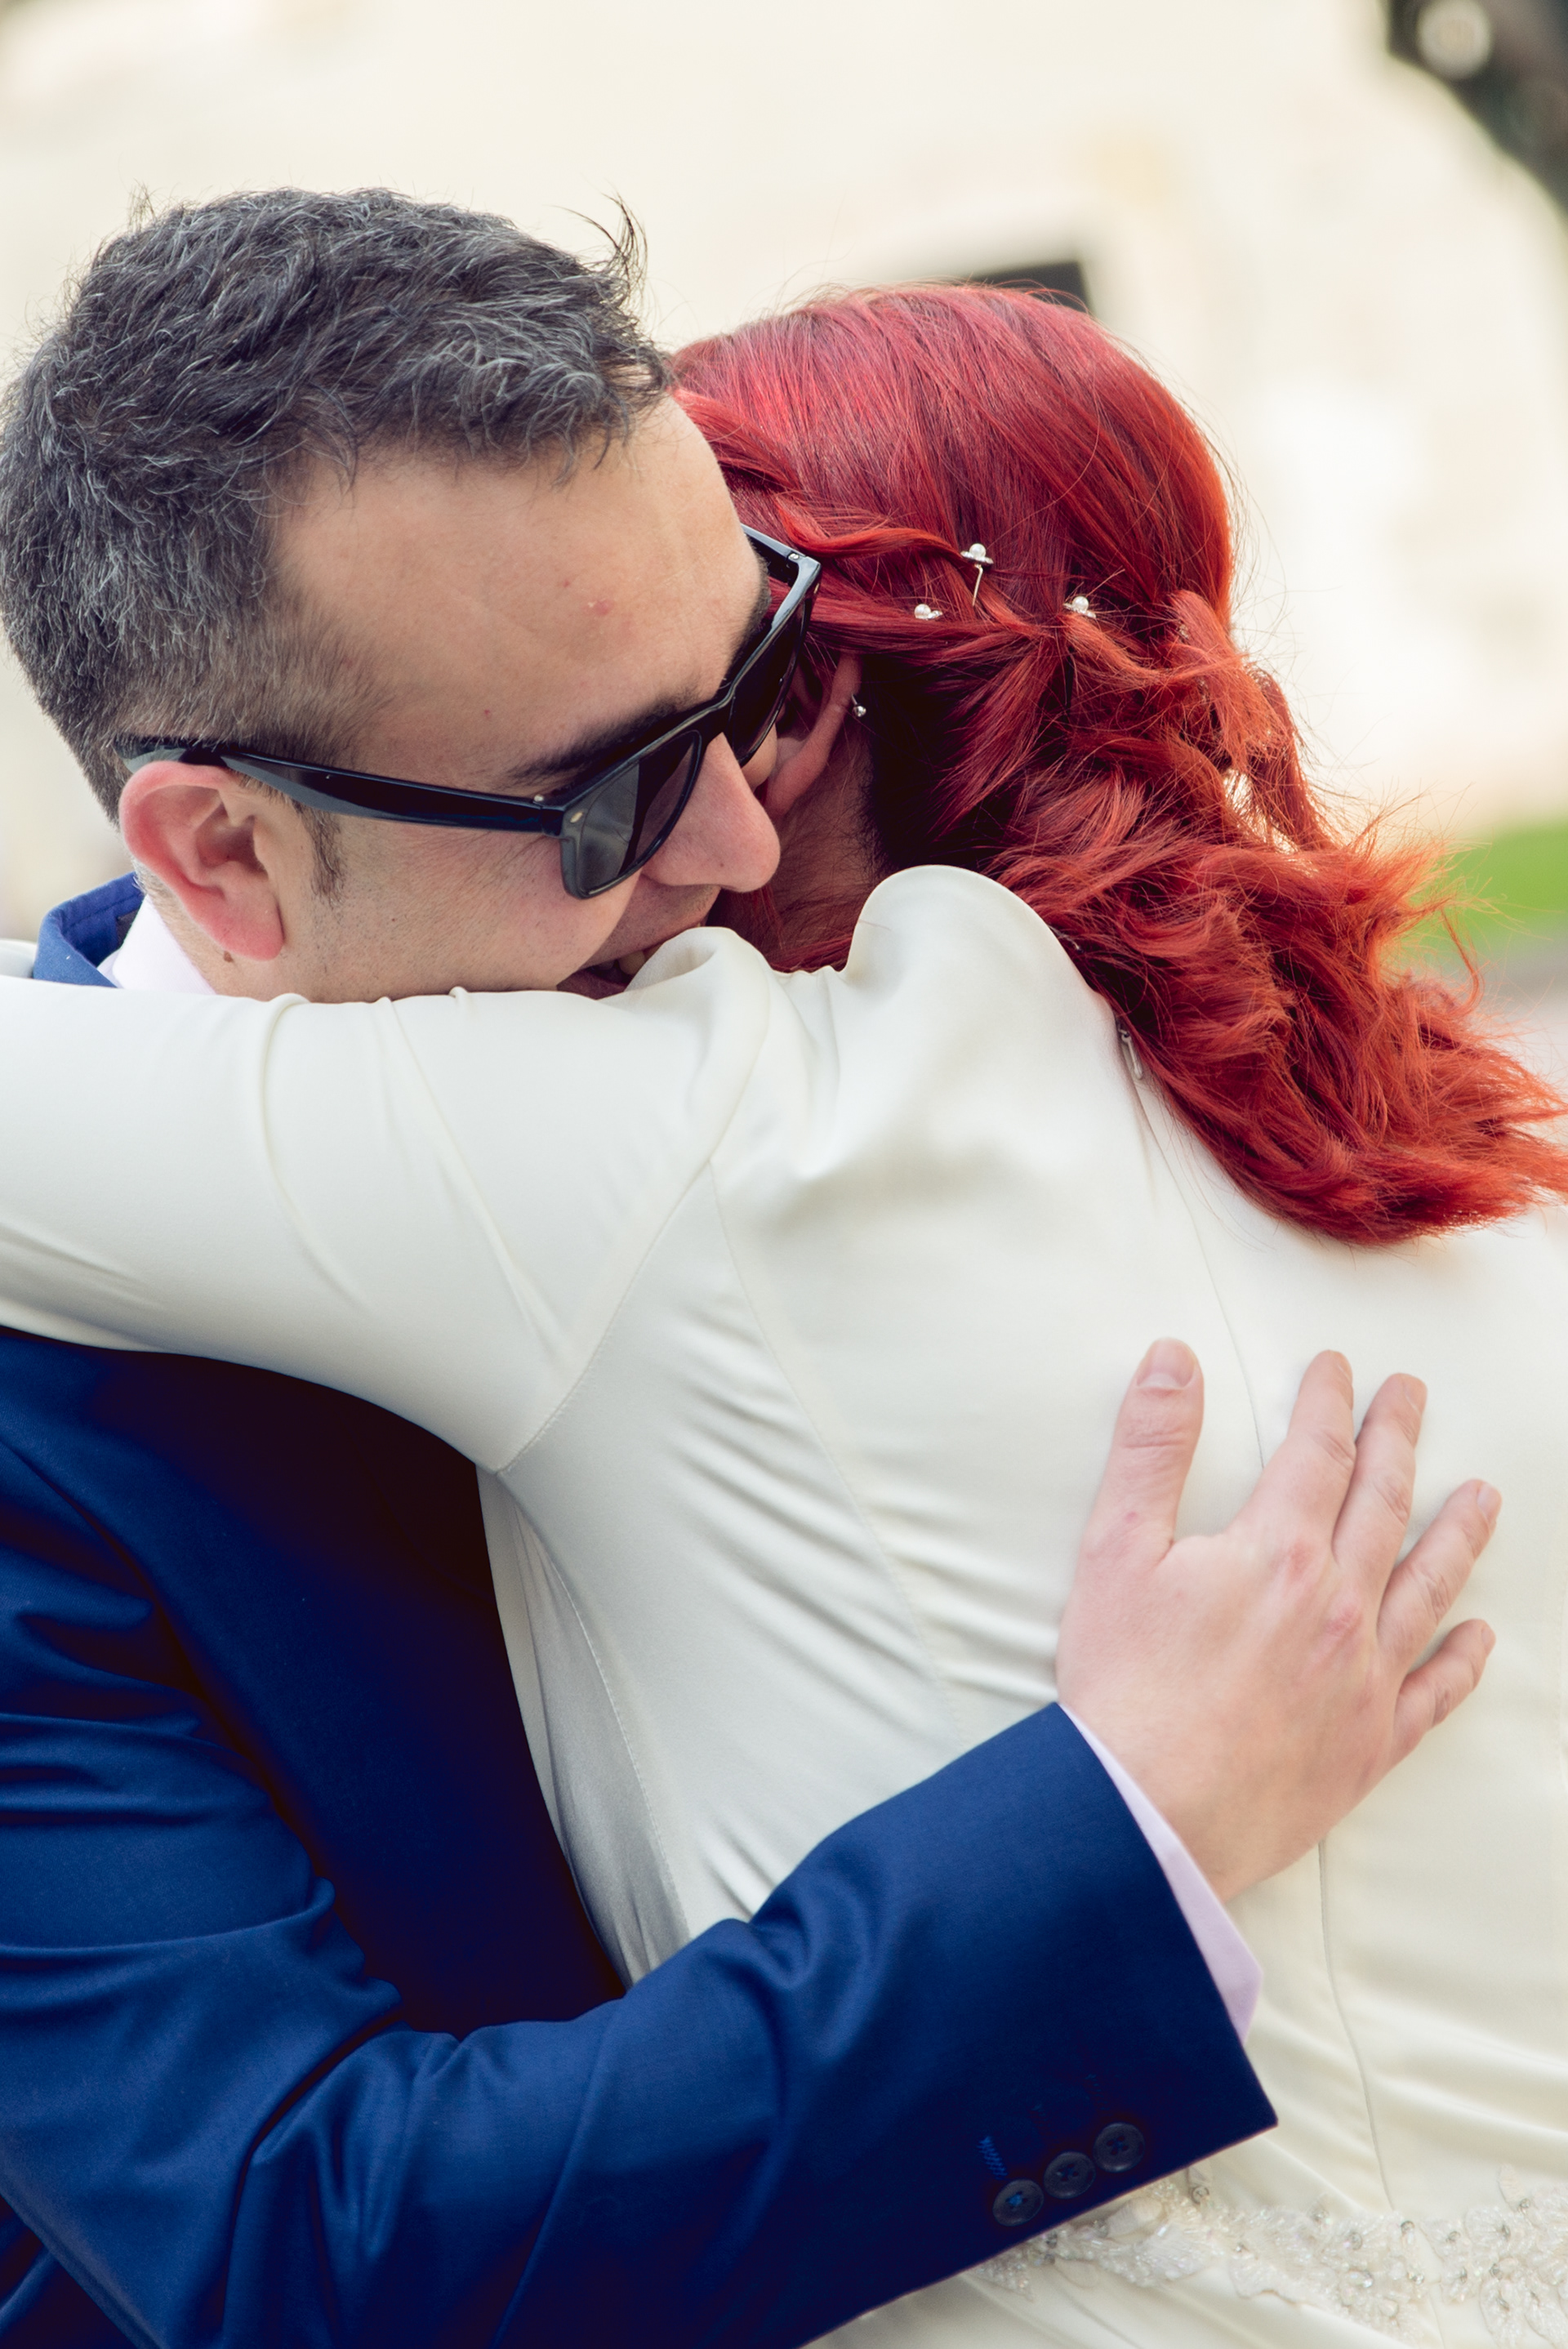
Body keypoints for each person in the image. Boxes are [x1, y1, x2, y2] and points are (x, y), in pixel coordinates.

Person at [0, 194, 1502, 2349]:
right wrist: (1115, 1836)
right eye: (602, 795)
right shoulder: (33, 1416)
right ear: (224, 857)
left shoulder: (855, 1070)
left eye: (759, 676)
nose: (730, 845)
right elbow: (298, 2246)